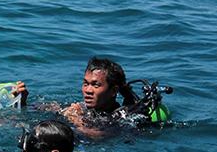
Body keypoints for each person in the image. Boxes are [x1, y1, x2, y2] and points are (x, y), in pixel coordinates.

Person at [15, 57, 170, 138]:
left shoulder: (122, 117)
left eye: (96, 85)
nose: (88, 90)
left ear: (113, 91)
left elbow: (99, 137)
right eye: (85, 83)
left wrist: (75, 120)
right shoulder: (82, 108)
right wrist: (23, 102)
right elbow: (39, 109)